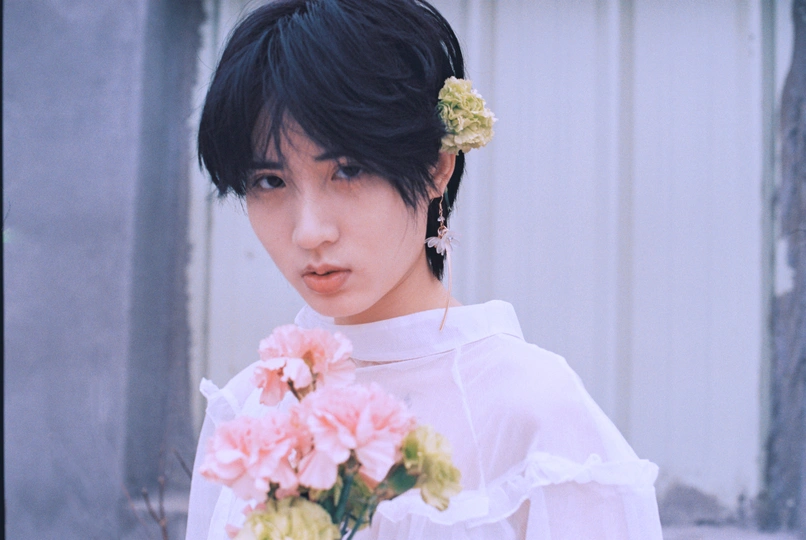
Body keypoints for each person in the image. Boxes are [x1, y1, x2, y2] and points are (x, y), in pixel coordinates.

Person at [186, 0, 664, 538]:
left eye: (348, 170)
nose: (309, 232)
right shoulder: (250, 411)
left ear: (437, 165)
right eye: (270, 181)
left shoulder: (534, 412)